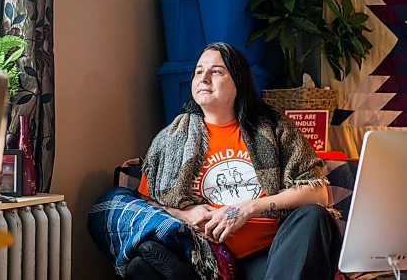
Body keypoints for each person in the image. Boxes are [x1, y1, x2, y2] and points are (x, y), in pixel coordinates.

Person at [123, 42, 342, 280]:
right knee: (142, 264)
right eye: (198, 71)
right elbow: (147, 205)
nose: (204, 78)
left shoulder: (275, 128)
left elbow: (318, 191)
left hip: (271, 255)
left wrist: (247, 208)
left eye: (216, 71)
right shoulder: (170, 140)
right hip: (205, 256)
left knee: (314, 216)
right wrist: (185, 214)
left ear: (238, 81)